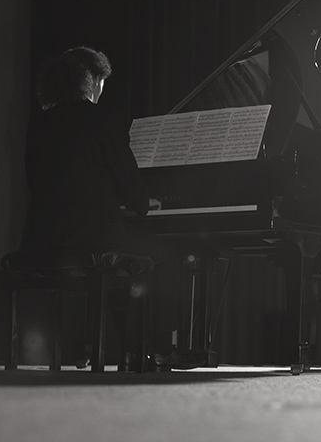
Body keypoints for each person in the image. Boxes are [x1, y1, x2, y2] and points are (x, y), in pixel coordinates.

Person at [20, 46, 204, 369]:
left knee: (128, 254)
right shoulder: (103, 118)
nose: (101, 91)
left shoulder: (38, 125)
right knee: (166, 255)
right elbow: (136, 197)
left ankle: (108, 348)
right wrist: (140, 202)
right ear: (90, 81)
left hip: (43, 241)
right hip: (93, 238)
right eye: (100, 83)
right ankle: (155, 348)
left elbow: (38, 183)